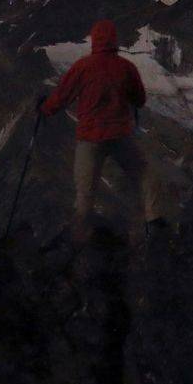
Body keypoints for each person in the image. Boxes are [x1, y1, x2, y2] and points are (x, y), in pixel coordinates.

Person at [38, 19, 148, 242]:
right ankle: (147, 227)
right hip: (120, 136)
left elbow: (61, 97)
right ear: (114, 40)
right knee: (142, 178)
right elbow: (140, 99)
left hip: (90, 138)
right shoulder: (126, 67)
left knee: (85, 192)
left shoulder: (82, 67)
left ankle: (79, 239)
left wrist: (44, 109)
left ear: (94, 39)